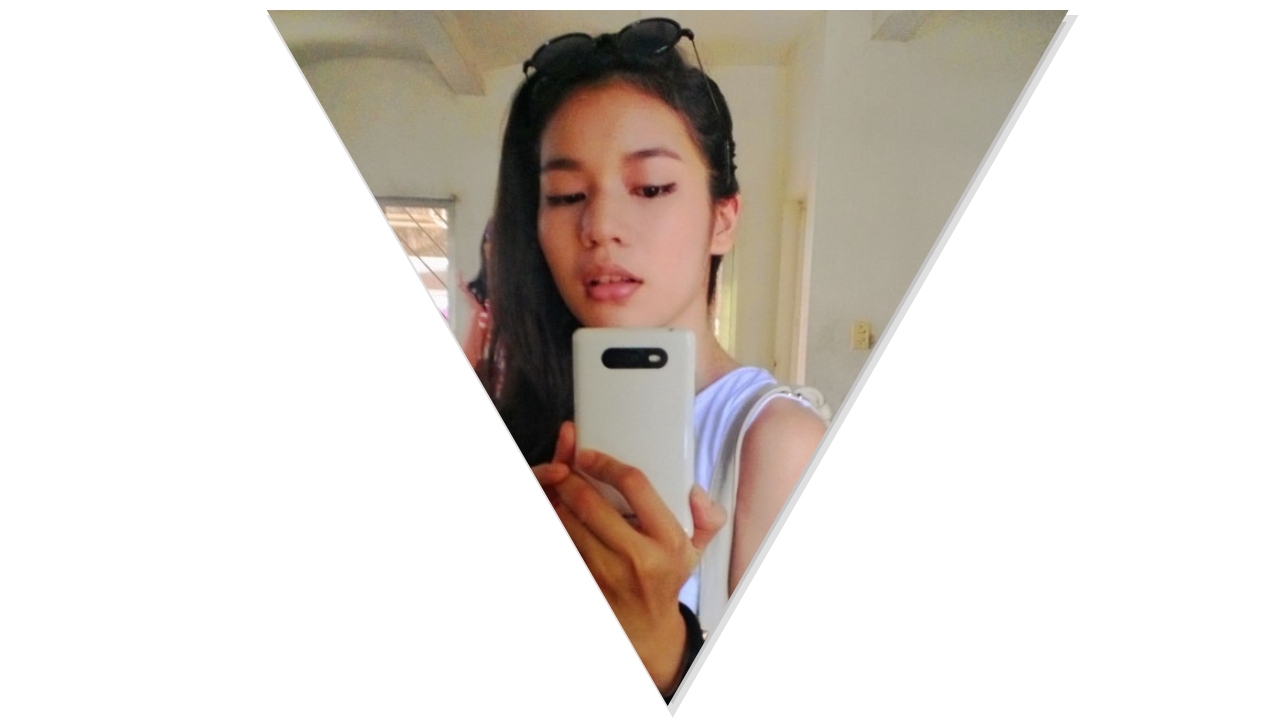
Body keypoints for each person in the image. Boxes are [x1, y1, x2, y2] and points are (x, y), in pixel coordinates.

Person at [480, 18, 828, 701]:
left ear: (723, 218)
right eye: (566, 196)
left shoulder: (776, 443)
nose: (600, 227)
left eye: (650, 188)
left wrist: (659, 645)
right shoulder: (519, 409)